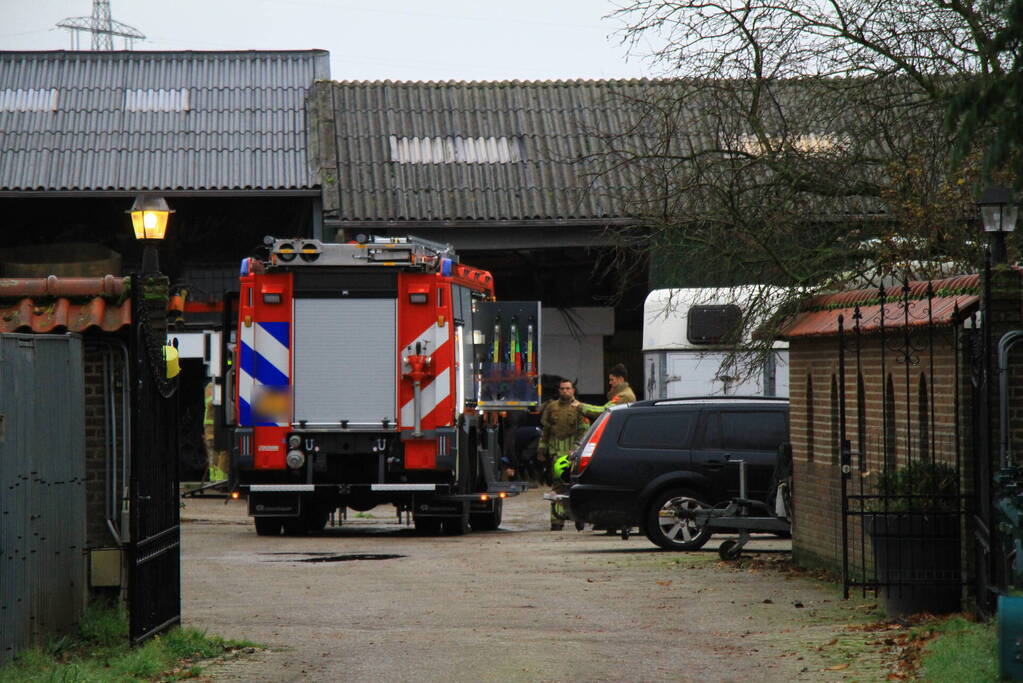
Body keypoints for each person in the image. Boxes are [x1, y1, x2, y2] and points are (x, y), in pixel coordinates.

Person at [538, 378, 589, 530]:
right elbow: (545, 431)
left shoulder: (580, 408)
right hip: (555, 454)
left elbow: (585, 432)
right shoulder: (551, 407)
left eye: (568, 388)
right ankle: (556, 521)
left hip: (573, 455)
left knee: (576, 487)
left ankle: (579, 518)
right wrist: (541, 451)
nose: (565, 391)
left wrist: (577, 449)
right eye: (562, 389)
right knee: (557, 488)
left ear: (573, 390)